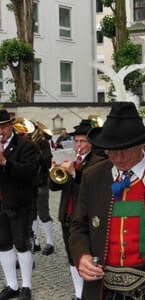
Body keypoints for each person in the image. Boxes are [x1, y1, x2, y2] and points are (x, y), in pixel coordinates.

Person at [69, 102, 145, 300]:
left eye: (125, 149)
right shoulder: (93, 177)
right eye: (112, 150)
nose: (119, 157)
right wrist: (82, 256)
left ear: (141, 144)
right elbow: (78, 226)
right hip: (102, 290)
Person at [49, 119, 105, 300]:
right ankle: (78, 293)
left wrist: (74, 173)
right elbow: (54, 187)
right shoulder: (68, 158)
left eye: (82, 141)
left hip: (86, 216)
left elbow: (94, 187)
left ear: (91, 143)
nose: (78, 145)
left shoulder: (99, 161)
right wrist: (55, 170)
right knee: (71, 256)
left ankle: (90, 293)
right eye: (77, 141)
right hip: (67, 214)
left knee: (86, 255)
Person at [0, 110, 40, 300]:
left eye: (3, 127)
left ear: (11, 126)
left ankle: (26, 286)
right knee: (3, 244)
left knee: (21, 244)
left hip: (19, 204)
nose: (1, 131)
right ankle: (12, 285)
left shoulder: (25, 146)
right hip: (0, 203)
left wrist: (5, 163)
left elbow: (29, 172)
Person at [31, 127, 54, 256]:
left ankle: (50, 243)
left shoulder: (44, 144)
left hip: (41, 182)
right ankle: (36, 242)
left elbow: (47, 163)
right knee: (32, 214)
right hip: (30, 183)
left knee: (43, 214)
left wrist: (37, 150)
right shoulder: (26, 143)